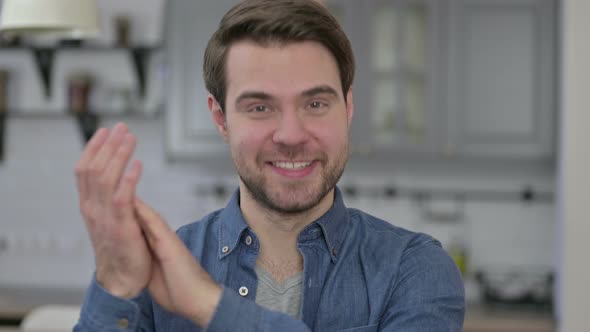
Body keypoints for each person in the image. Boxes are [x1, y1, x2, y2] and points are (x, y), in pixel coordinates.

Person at [73, 0, 465, 331]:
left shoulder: (414, 269)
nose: (291, 135)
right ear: (221, 118)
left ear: (347, 108)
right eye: (260, 107)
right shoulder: (149, 270)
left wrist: (209, 305)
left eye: (315, 104)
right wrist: (116, 282)